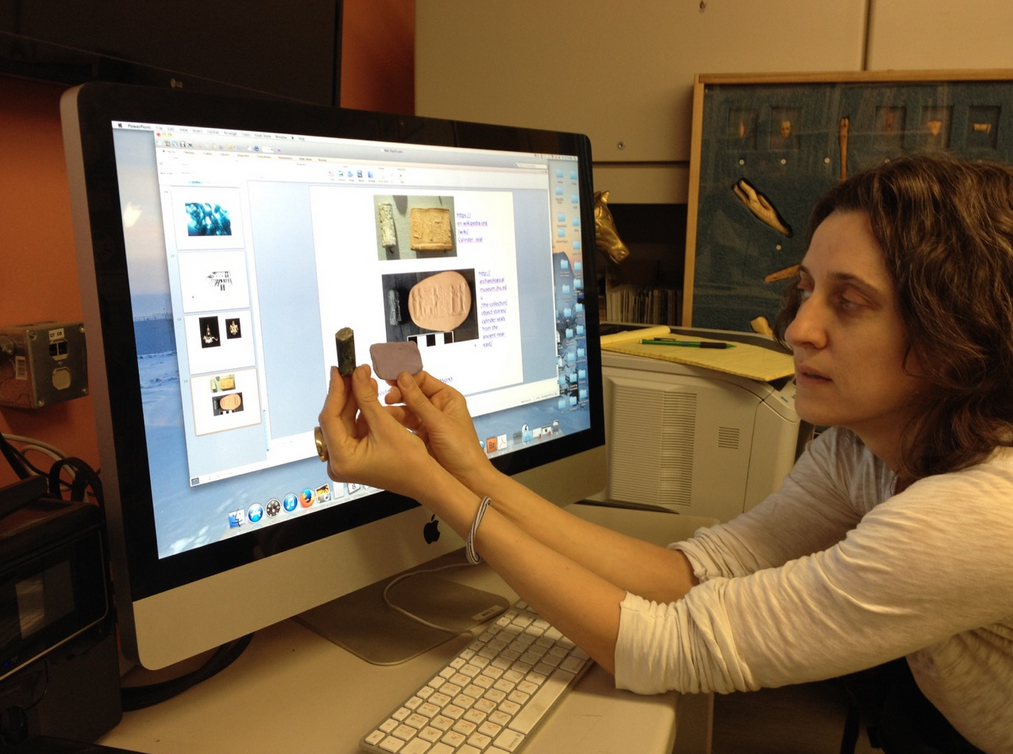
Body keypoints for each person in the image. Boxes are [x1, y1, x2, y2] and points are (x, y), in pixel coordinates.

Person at [317, 154, 1013, 753]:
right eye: (805, 290)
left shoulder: (972, 515)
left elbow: (665, 646)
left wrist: (434, 488)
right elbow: (690, 575)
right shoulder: (859, 452)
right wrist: (471, 471)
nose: (798, 328)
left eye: (850, 302)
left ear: (958, 327)